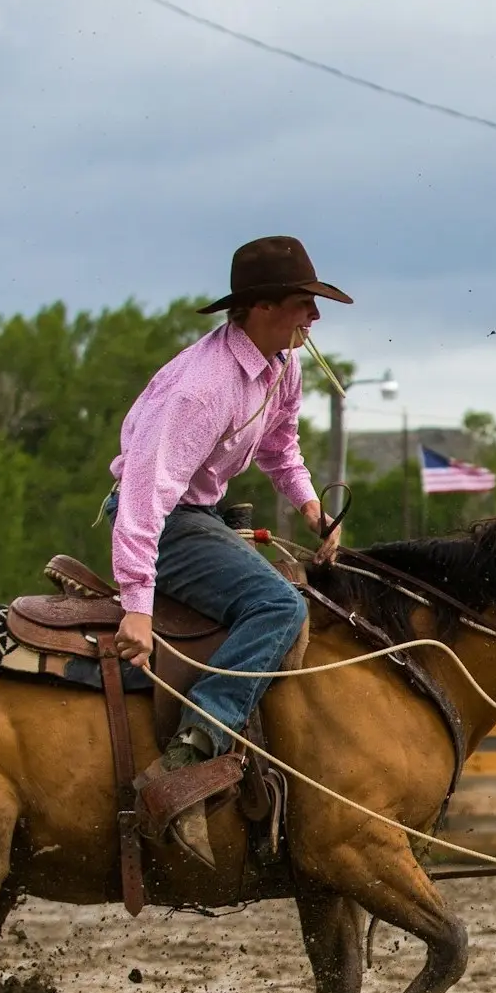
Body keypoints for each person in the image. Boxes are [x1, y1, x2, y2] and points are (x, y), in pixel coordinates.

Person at [109, 236, 349, 866]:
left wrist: (310, 508)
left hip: (196, 514)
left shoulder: (282, 366)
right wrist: (136, 602)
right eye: (305, 304)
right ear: (261, 308)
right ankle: (193, 753)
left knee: (297, 595)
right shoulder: (204, 387)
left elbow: (280, 445)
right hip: (166, 522)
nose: (315, 319)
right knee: (278, 608)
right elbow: (144, 494)